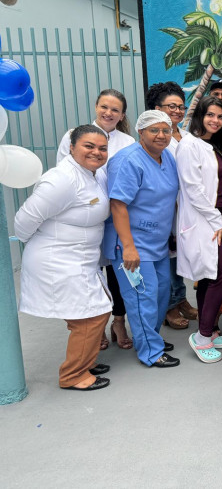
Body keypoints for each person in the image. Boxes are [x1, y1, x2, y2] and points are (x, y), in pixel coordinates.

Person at [16, 125, 113, 390]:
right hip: (57, 261)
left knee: (89, 312)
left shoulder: (92, 174)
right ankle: (74, 375)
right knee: (92, 315)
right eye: (88, 146)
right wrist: (45, 243)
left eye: (102, 148)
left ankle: (84, 361)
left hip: (80, 260)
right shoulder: (62, 179)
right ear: (71, 148)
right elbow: (24, 221)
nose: (96, 152)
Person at [56, 88, 135, 351]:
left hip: (115, 219)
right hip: (84, 217)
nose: (108, 113)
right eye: (104, 107)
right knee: (89, 273)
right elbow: (63, 175)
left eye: (115, 109)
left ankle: (118, 321)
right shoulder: (74, 135)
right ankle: (95, 327)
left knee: (116, 273)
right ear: (96, 106)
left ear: (122, 114)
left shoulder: (127, 142)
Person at [103, 110, 180, 368]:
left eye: (166, 130)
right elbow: (117, 205)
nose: (161, 135)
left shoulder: (166, 156)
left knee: (161, 293)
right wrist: (128, 247)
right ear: (140, 132)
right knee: (141, 297)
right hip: (131, 245)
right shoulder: (128, 161)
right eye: (154, 130)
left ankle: (149, 337)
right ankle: (150, 351)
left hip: (157, 242)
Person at [176, 97, 222, 363]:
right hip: (208, 221)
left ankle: (209, 329)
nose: (215, 120)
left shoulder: (212, 145)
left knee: (209, 275)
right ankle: (201, 337)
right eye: (210, 115)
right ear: (200, 115)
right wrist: (216, 220)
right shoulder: (189, 145)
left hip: (220, 217)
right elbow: (192, 189)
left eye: (220, 117)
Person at [149, 81, 198, 331]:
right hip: (165, 206)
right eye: (172, 106)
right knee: (167, 256)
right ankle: (169, 306)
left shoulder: (185, 135)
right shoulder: (157, 136)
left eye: (181, 106)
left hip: (185, 206)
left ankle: (180, 298)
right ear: (157, 108)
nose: (178, 111)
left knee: (179, 255)